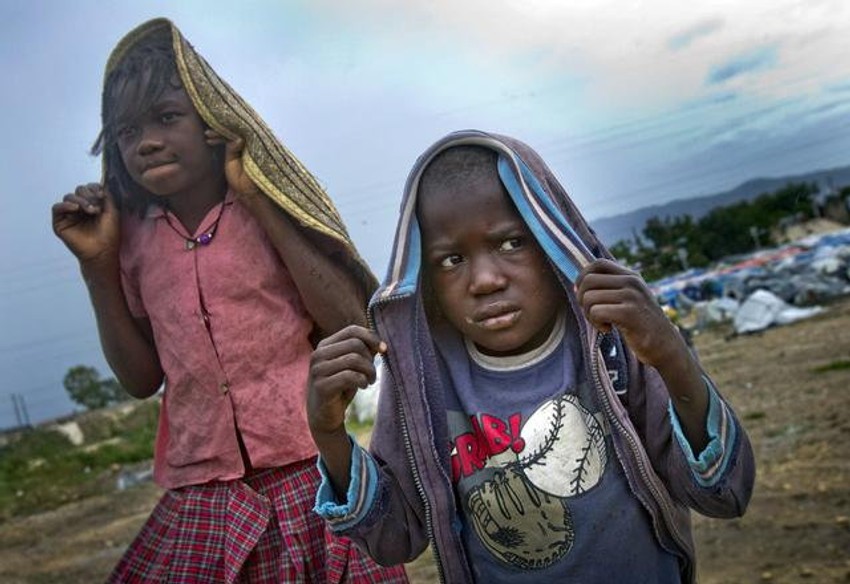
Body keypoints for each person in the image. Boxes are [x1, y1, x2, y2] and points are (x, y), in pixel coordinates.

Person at [307, 130, 755, 583]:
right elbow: (395, 538)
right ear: (427, 282)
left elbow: (724, 493)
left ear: (552, 243)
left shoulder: (612, 345)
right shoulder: (424, 384)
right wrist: (328, 435)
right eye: (450, 260)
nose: (484, 280)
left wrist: (671, 356)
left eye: (510, 243)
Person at [51, 18, 407, 583]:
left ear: (212, 122)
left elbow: (350, 323)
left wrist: (255, 196)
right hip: (201, 490)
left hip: (309, 468)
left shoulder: (272, 207)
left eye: (167, 118)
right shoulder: (129, 242)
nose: (145, 142)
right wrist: (97, 266)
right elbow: (142, 379)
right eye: (126, 132)